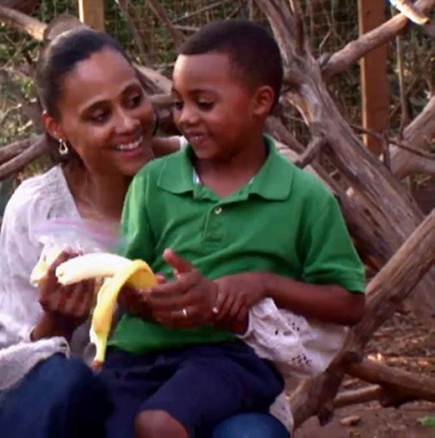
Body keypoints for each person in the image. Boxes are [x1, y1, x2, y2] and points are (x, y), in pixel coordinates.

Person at [0, 26, 298, 437]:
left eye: (133, 100)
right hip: (93, 414)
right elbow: (15, 374)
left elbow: (306, 320)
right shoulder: (37, 209)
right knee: (63, 382)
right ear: (56, 127)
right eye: (100, 115)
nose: (128, 124)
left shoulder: (220, 173)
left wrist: (223, 302)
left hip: (213, 396)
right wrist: (57, 324)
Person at [102, 19, 366, 437]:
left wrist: (262, 284)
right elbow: (125, 283)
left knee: (158, 424)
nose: (185, 118)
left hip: (232, 356)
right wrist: (153, 299)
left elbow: (350, 303)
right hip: (138, 356)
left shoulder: (304, 198)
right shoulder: (152, 183)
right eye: (178, 103)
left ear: (260, 102)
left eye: (203, 104)